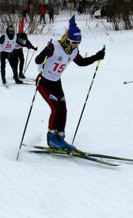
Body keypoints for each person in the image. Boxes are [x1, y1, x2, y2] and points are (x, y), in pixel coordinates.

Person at [34, 16, 105, 151]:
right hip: (43, 81)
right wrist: (45, 52)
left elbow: (81, 62)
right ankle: (51, 137)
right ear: (66, 39)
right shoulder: (54, 46)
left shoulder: (74, 51)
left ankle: (60, 137)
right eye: (73, 42)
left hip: (56, 83)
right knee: (55, 108)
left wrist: (97, 56)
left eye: (78, 42)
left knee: (63, 109)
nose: (75, 45)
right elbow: (38, 61)